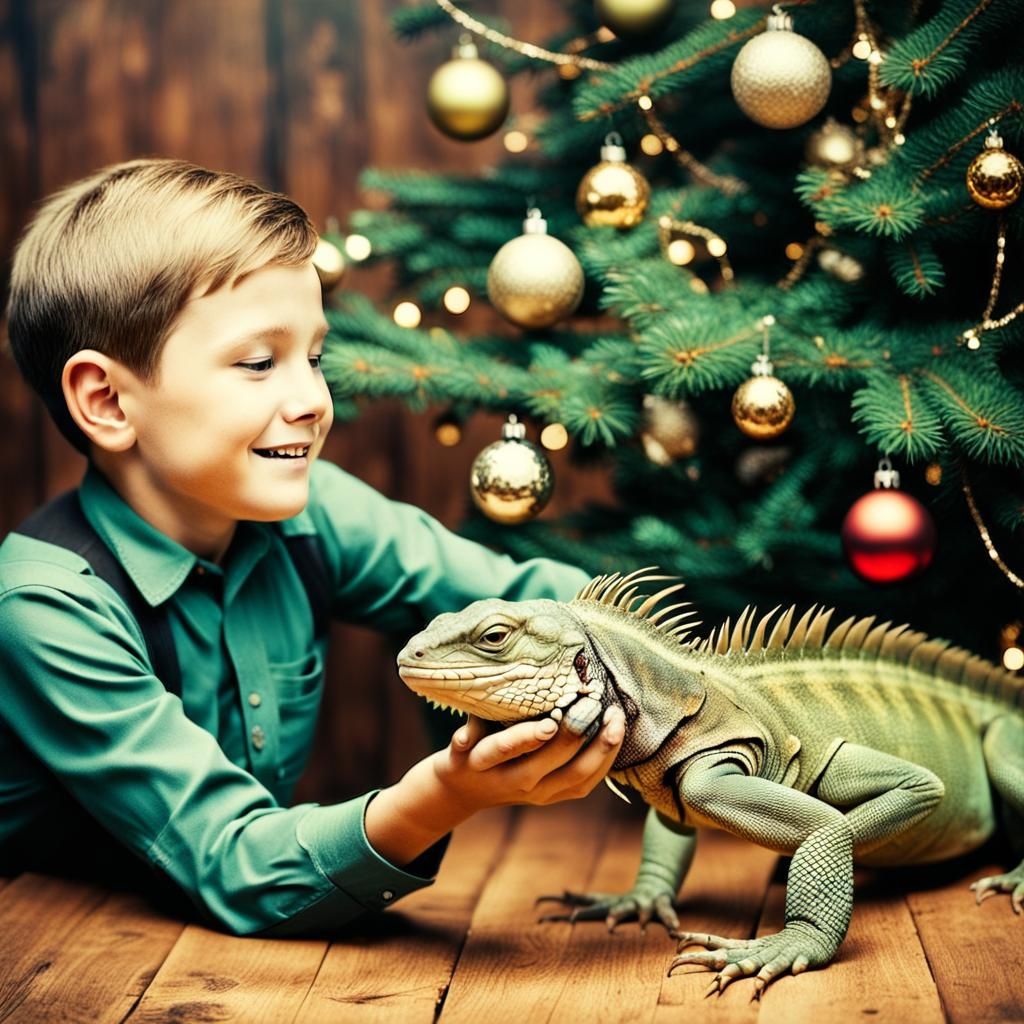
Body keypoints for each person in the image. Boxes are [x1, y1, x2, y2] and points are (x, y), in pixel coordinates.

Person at [0, 158, 625, 935]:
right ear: (107, 400)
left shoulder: (313, 513)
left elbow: (535, 602)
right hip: (55, 952)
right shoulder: (43, 607)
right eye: (259, 363)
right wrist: (452, 793)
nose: (313, 401)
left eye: (315, 357)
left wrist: (677, 670)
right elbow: (233, 859)